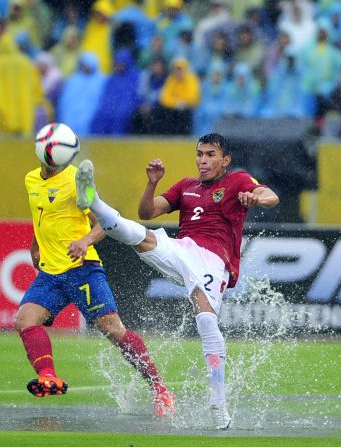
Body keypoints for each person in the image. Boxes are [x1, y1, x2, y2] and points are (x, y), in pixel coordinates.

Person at [74, 133, 279, 429]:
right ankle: (93, 200)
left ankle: (218, 405)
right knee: (138, 235)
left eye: (210, 154)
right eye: (199, 154)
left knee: (206, 320)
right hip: (182, 250)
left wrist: (256, 197)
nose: (203, 160)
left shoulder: (237, 181)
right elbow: (147, 212)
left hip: (212, 261)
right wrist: (152, 182)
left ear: (225, 160)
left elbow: (272, 197)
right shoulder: (187, 186)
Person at [14, 126, 174, 417]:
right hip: (50, 273)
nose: (62, 164)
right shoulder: (30, 179)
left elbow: (106, 222)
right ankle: (48, 376)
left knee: (112, 330)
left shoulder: (78, 180)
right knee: (25, 320)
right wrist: (35, 244)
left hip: (83, 268)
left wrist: (85, 240)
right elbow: (41, 215)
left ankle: (160, 389)